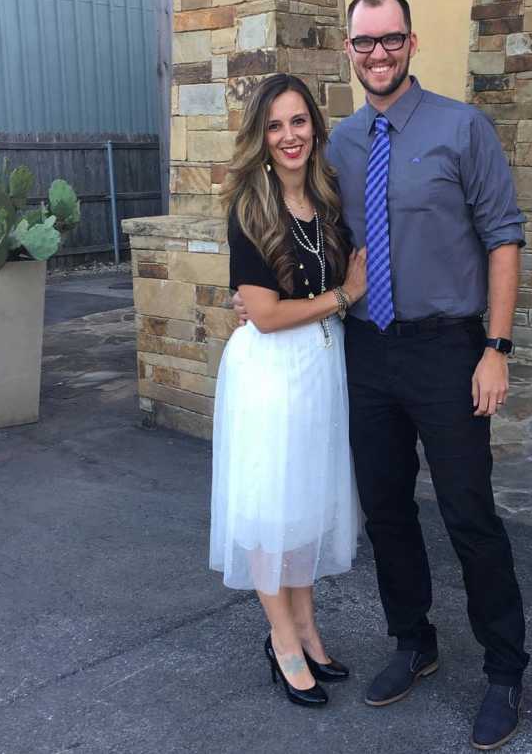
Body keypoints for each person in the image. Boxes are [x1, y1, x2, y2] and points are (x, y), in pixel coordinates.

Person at [329, 0, 530, 750]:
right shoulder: (339, 143)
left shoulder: (461, 128)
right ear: (349, 49)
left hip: (449, 351)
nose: (376, 54)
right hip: (368, 351)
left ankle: (505, 668)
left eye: (389, 40)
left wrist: (496, 349)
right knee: (385, 510)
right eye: (363, 43)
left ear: (412, 43)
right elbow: (311, 234)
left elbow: (504, 239)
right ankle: (413, 640)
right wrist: (263, 297)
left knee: (468, 514)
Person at [208, 73, 367, 708]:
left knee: (302, 508)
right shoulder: (249, 208)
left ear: (315, 129)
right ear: (261, 137)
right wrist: (341, 297)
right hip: (270, 375)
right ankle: (282, 640)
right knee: (271, 510)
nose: (289, 136)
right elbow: (266, 315)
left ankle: (307, 626)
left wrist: (335, 301)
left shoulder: (326, 202)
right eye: (275, 126)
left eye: (298, 122)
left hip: (319, 370)